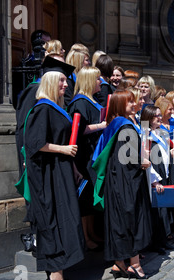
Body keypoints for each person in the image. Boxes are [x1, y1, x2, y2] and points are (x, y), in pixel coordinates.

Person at [22, 58, 84, 280]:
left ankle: (60, 267)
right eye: (61, 81)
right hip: (47, 176)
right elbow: (35, 144)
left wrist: (73, 166)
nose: (66, 85)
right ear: (49, 82)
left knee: (65, 219)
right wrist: (63, 150)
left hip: (61, 171)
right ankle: (54, 274)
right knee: (51, 219)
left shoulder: (57, 108)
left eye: (65, 81)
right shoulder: (42, 108)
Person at [92, 90, 152, 279]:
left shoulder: (114, 125)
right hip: (126, 182)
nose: (134, 104)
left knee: (117, 220)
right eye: (129, 102)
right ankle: (134, 264)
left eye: (134, 101)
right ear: (119, 105)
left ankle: (119, 263)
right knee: (130, 218)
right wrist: (143, 162)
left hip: (115, 180)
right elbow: (129, 159)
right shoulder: (125, 127)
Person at [67, 67, 107, 251]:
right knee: (84, 199)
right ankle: (85, 237)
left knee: (91, 197)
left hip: (94, 155)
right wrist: (101, 125)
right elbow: (78, 130)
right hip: (84, 156)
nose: (101, 82)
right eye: (97, 79)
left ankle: (91, 232)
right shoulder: (80, 103)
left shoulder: (92, 100)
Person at [141, 106, 174, 253]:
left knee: (165, 209)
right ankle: (156, 242)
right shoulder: (146, 134)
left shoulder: (161, 133)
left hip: (165, 172)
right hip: (154, 173)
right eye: (156, 116)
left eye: (159, 115)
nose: (159, 117)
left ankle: (165, 238)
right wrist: (154, 180)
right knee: (157, 210)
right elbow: (146, 158)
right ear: (149, 118)